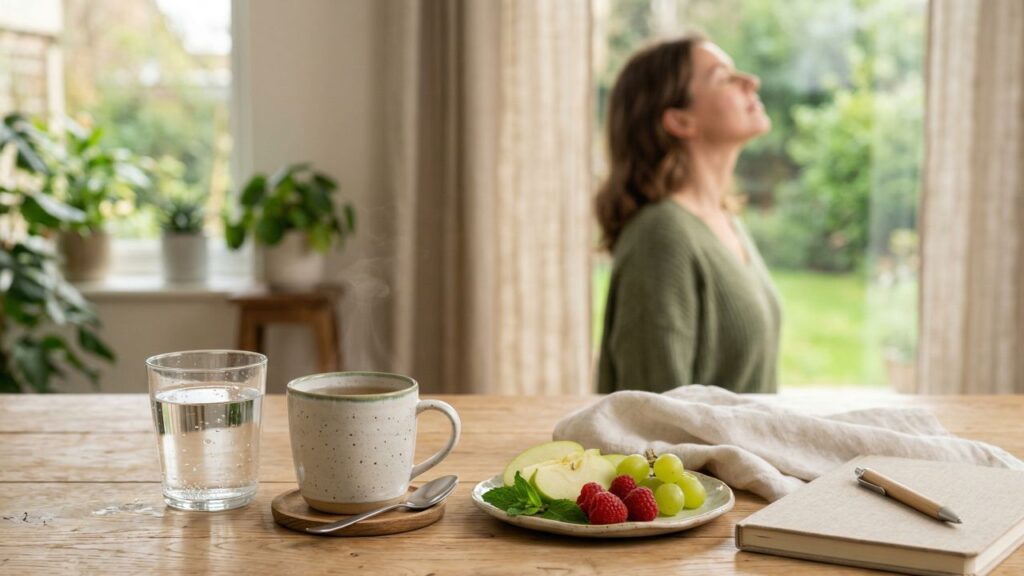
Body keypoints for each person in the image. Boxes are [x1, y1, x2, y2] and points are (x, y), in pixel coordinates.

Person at [595, 36, 781, 394]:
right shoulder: (660, 237)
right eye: (723, 77)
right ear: (680, 121)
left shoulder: (725, 219)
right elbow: (650, 420)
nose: (751, 81)